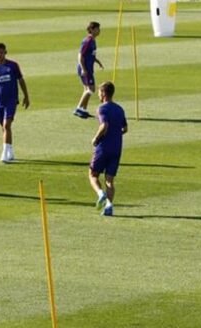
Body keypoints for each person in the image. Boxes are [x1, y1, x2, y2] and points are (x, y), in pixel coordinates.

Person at [0, 42, 30, 163]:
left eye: (1, 52)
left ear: (5, 52)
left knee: (6, 125)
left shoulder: (13, 66)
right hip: (0, 102)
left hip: (11, 100)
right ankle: (10, 151)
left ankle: (4, 154)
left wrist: (26, 96)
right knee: (4, 127)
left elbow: (21, 80)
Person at [88, 81, 127, 217]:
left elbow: (104, 125)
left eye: (99, 92)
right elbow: (125, 128)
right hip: (117, 148)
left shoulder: (102, 108)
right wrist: (115, 135)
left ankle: (100, 194)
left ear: (104, 93)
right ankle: (109, 207)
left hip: (103, 147)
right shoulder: (120, 109)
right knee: (109, 180)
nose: (98, 95)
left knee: (93, 175)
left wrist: (96, 138)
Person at [74, 22, 104, 119]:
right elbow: (80, 56)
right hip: (86, 69)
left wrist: (98, 62)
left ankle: (83, 109)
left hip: (88, 68)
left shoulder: (93, 41)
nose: (99, 31)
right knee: (91, 89)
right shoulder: (88, 41)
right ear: (91, 30)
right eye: (97, 29)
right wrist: (83, 69)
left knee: (87, 89)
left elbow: (91, 55)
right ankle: (78, 108)